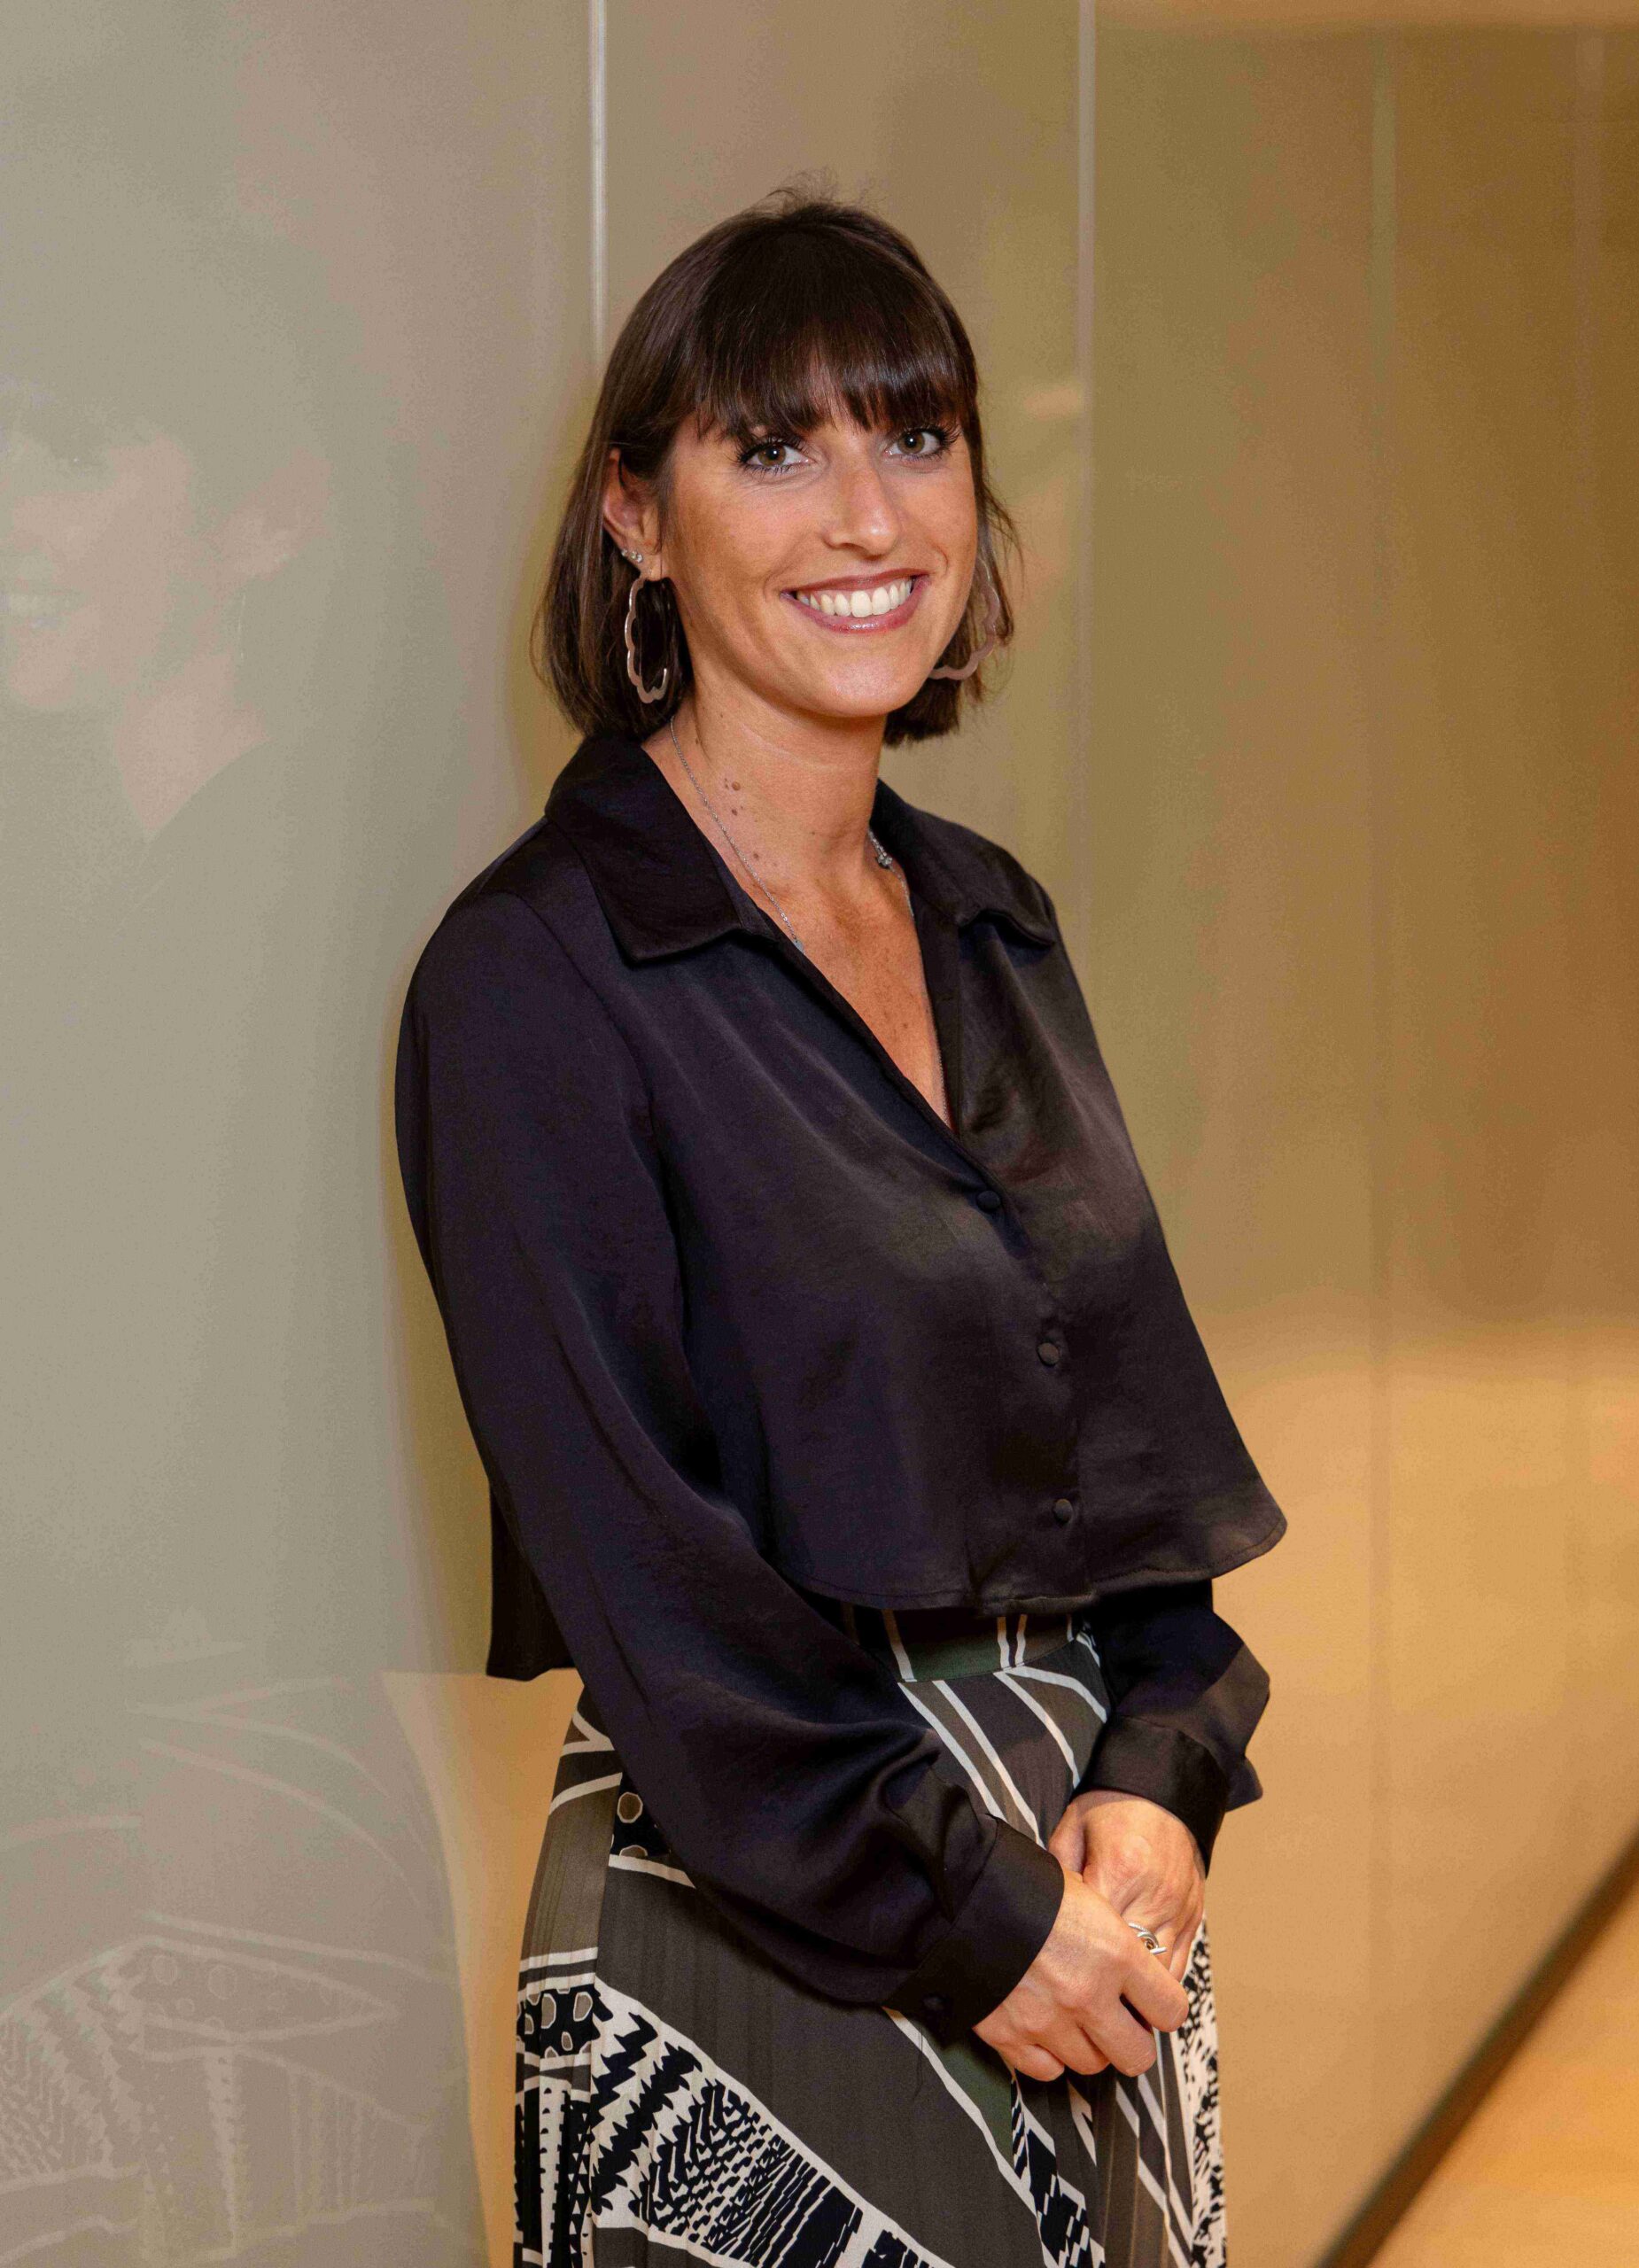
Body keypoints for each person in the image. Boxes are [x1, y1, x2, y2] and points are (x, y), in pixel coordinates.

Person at [393, 189, 1286, 2268]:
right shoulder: (536, 974)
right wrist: (976, 1917)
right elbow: (650, 1577)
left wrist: (1160, 1769)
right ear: (636, 516)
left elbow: (1117, 1432)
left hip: (1089, 1922)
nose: (865, 514)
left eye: (913, 434)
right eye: (773, 447)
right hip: (777, 1952)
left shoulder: (982, 916)